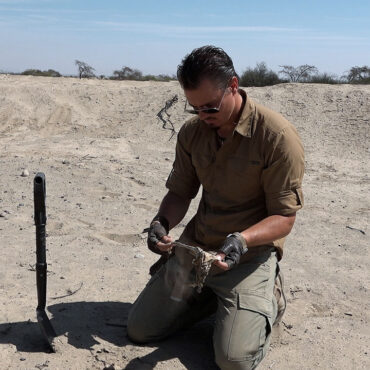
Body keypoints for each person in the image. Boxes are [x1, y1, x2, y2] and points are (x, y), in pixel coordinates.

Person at [127, 45, 304, 369]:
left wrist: (242, 240)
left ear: (233, 86)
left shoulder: (276, 137)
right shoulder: (193, 133)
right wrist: (161, 223)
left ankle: (268, 299)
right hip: (198, 251)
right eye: (194, 109)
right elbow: (181, 194)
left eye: (209, 107)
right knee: (139, 330)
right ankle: (211, 300)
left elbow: (284, 218)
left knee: (233, 361)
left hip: (247, 257)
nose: (202, 117)